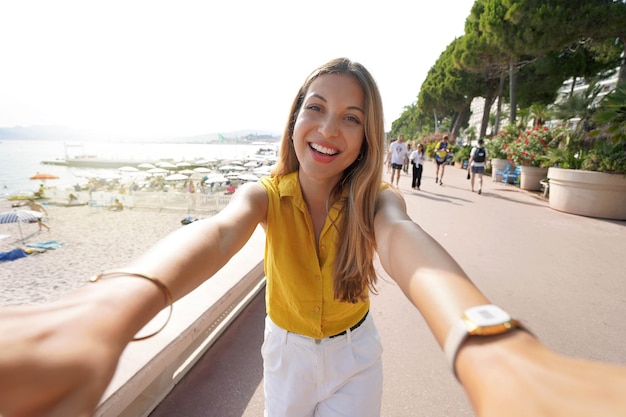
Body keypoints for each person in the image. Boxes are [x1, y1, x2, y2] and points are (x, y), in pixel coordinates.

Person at [1, 58, 626, 417]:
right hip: (287, 355)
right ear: (295, 116)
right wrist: (107, 307)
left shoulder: (376, 201)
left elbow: (407, 243)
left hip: (356, 359)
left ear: (367, 136)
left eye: (352, 117)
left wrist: (495, 343)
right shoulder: (265, 195)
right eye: (316, 107)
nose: (329, 128)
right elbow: (219, 235)